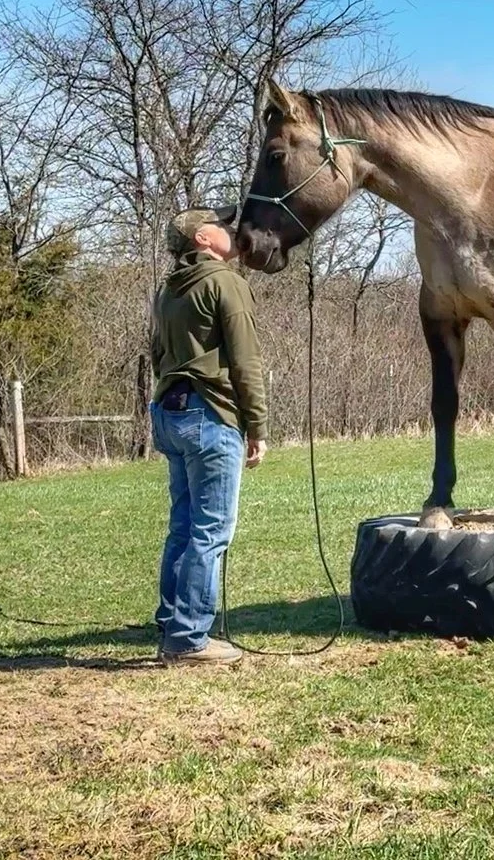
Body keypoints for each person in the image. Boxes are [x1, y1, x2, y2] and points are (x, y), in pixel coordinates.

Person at [150, 205, 268, 665]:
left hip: (170, 412)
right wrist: (256, 424)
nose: (231, 230)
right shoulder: (224, 282)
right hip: (209, 414)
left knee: (183, 525)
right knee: (211, 529)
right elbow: (245, 361)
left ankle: (171, 620)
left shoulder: (169, 289)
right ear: (202, 238)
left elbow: (158, 355)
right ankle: (188, 639)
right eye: (221, 225)